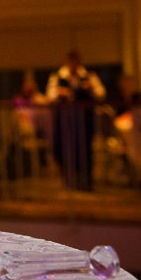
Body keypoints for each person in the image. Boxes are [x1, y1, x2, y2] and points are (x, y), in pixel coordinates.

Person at [46, 50, 105, 191]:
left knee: (85, 150)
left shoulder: (88, 75)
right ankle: (69, 183)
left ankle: (86, 182)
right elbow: (50, 96)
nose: (75, 64)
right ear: (69, 61)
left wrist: (91, 89)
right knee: (67, 150)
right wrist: (61, 93)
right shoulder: (58, 76)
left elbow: (101, 93)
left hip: (85, 120)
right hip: (66, 121)